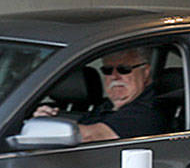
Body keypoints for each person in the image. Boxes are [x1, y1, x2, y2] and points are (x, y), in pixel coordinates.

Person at [35, 48, 165, 142]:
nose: (114, 76)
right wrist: (47, 119)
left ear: (146, 72)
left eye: (124, 69)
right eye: (107, 70)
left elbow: (89, 136)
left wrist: (41, 128)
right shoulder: (106, 106)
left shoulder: (147, 111)